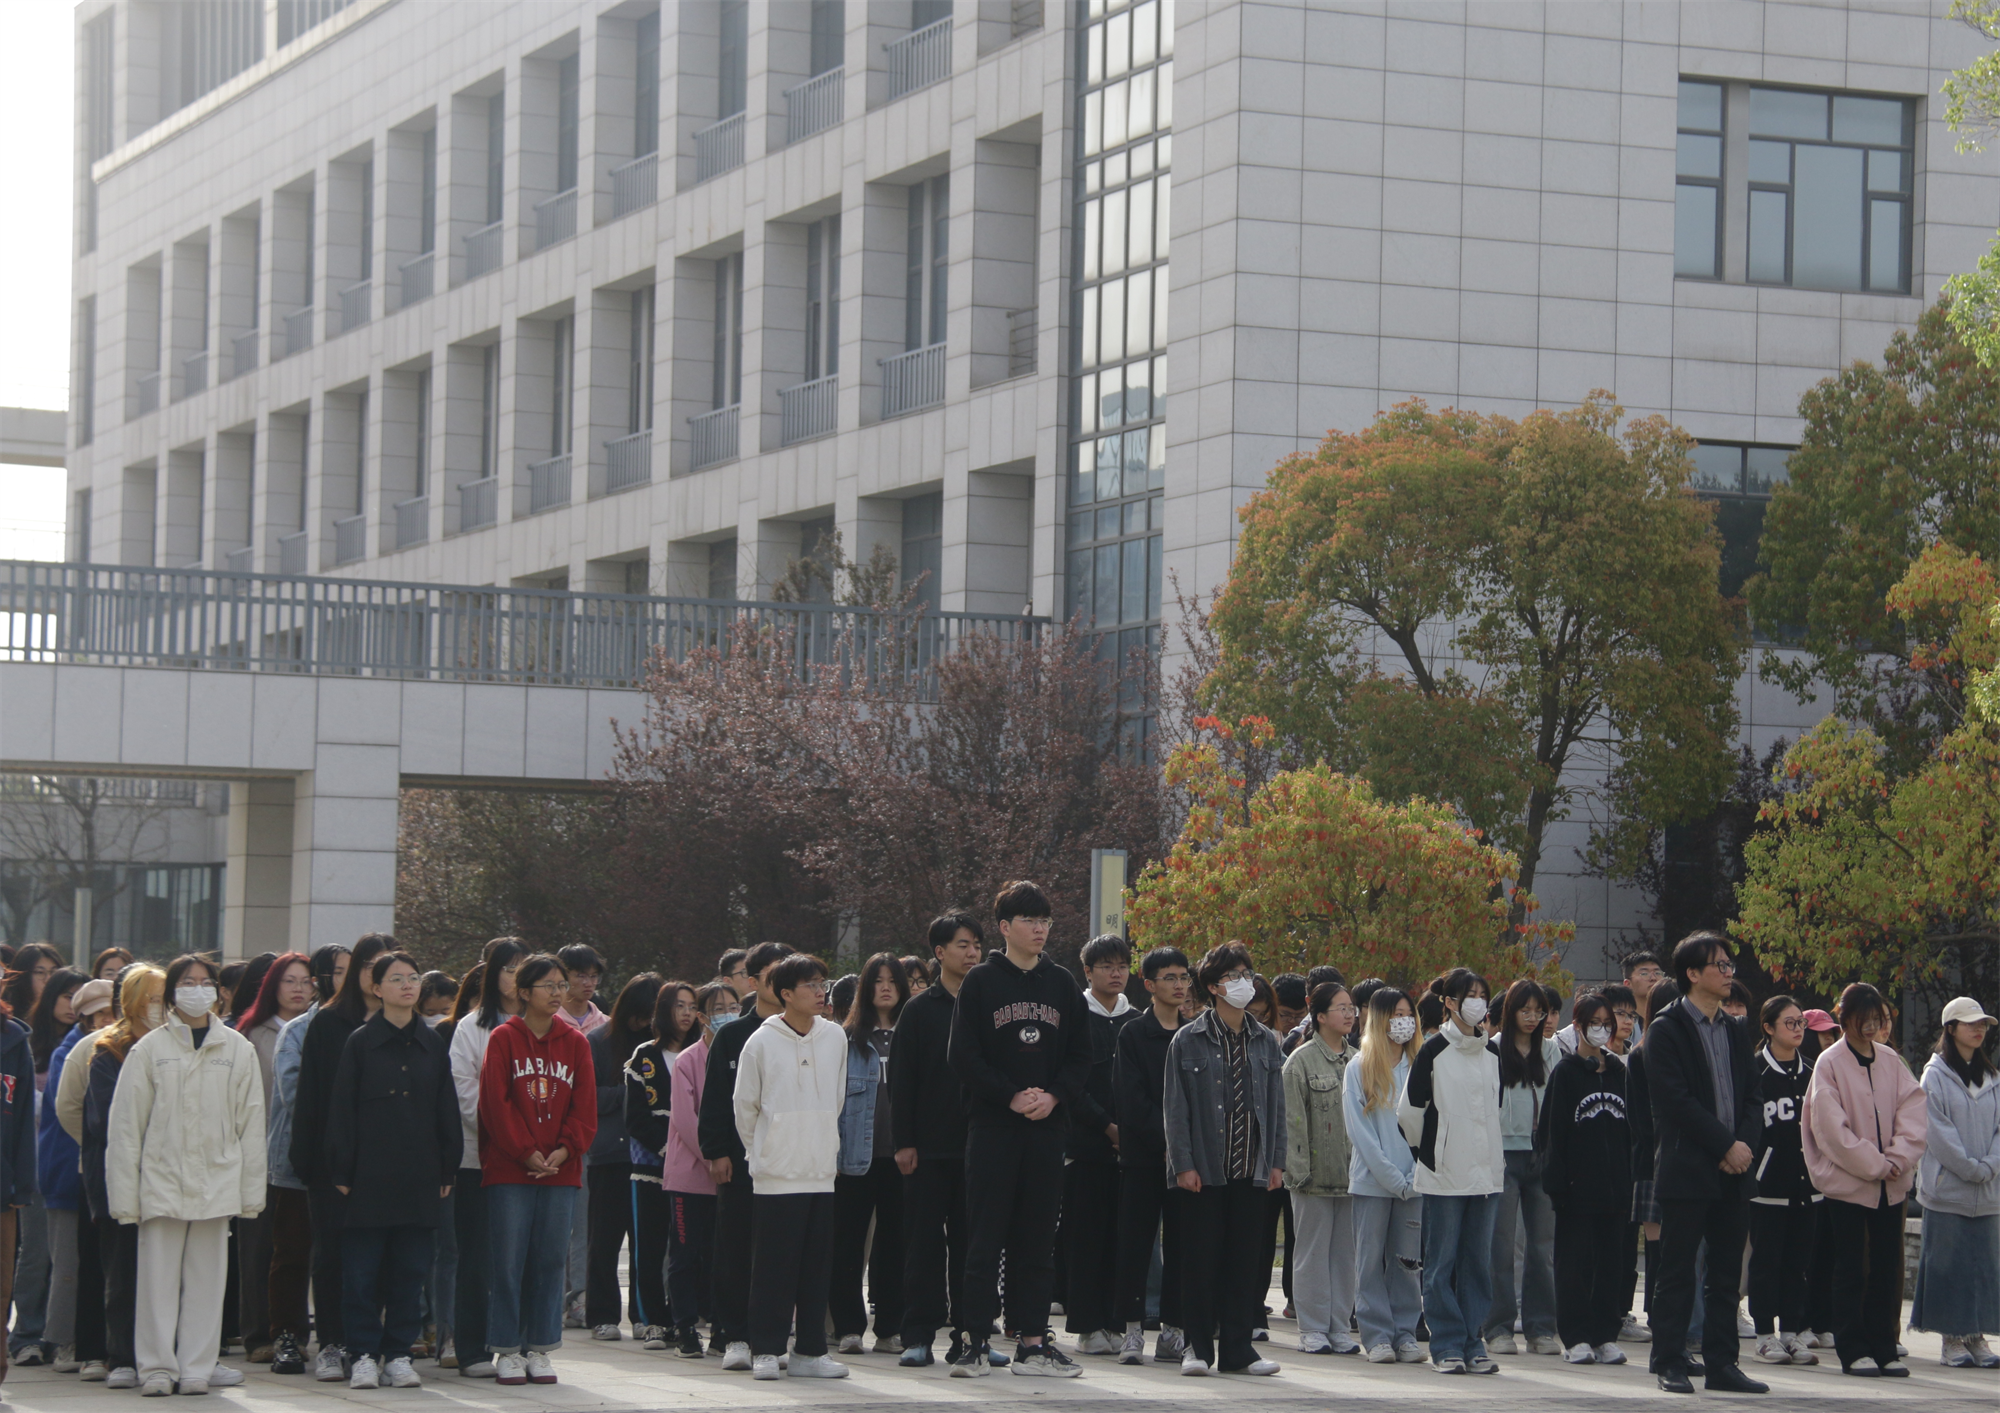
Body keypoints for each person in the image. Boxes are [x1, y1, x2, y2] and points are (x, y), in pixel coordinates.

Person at [946, 881, 1089, 1378]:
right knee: (984, 1238)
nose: (1040, 929)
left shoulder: (1062, 983)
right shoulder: (981, 982)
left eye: (1045, 920)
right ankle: (974, 1342)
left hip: (1047, 1130)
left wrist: (1053, 1096)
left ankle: (1032, 1343)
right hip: (993, 1128)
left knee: (1037, 1240)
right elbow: (963, 1055)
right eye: (1030, 920)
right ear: (1005, 927)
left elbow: (1081, 1055)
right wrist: (1009, 1094)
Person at [106, 953, 264, 1397]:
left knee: (207, 1282)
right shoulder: (149, 1050)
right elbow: (126, 1129)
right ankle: (157, 1366)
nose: (198, 989)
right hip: (162, 1182)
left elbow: (252, 1125)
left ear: (218, 990)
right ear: (172, 992)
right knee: (156, 1282)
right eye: (187, 982)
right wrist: (125, 1198)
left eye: (205, 981)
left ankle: (197, 1365)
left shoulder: (237, 1049)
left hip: (217, 1181)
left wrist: (250, 1193)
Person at [324, 951, 461, 1390]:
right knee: (361, 1275)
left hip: (420, 1176)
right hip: (367, 1177)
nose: (407, 985)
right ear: (376, 988)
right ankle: (363, 1354)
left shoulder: (432, 1042)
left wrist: (447, 1168)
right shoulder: (360, 1042)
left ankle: (399, 1354)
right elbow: (342, 1109)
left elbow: (446, 1108)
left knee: (410, 1272)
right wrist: (341, 1170)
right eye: (396, 978)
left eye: (413, 978)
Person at [1643, 932, 1768, 1395]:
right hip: (1688, 1169)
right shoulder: (1666, 1029)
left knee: (1725, 1275)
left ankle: (1722, 1364)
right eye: (1720, 965)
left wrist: (1743, 1147)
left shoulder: (1734, 1029)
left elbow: (1753, 1096)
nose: (1729, 972)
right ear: (1692, 974)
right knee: (1677, 1272)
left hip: (1735, 1170)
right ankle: (1670, 1360)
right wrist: (1725, 1146)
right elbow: (1675, 1102)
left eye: (1730, 964)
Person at [1160, 942, 1284, 1378]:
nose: (1244, 982)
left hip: (1251, 1169)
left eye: (1247, 974)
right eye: (1233, 976)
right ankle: (1196, 1348)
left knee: (1243, 1263)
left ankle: (1238, 1350)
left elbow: (1276, 1107)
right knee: (1199, 1262)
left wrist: (1276, 1162)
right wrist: (1183, 1164)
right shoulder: (1187, 1039)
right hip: (1204, 1172)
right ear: (1213, 986)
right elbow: (1175, 1109)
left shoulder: (1265, 1040)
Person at [728, 953, 848, 1380]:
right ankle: (767, 1348)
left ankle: (810, 1352)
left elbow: (836, 1098)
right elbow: (745, 1106)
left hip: (820, 1170)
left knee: (816, 1267)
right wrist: (765, 1151)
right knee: (773, 1267)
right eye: (810, 985)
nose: (820, 992)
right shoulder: (760, 1042)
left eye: (822, 984)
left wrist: (820, 1140)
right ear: (786, 994)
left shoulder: (835, 1036)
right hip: (776, 1174)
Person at [479, 953, 596, 1386]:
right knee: (509, 1262)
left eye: (561, 984)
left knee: (549, 1261)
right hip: (511, 1170)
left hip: (561, 1171)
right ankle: (507, 1349)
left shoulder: (576, 1043)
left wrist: (565, 1150)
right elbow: (495, 1103)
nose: (557, 992)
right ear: (524, 992)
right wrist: (525, 1151)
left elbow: (585, 1106)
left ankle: (540, 1348)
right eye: (548, 985)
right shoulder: (503, 1038)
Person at [1801, 981, 1926, 1378]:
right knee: (1852, 1267)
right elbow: (1830, 1128)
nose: (1871, 1028)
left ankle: (1884, 1347)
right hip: (1849, 1185)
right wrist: (1876, 1164)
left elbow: (1913, 1111)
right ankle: (1853, 1348)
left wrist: (1898, 1159)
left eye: (1877, 1019)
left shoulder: (1891, 1060)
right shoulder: (1830, 1063)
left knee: (1886, 1268)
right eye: (1863, 1020)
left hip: (1891, 1183)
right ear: (1845, 1019)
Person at [289, 933, 392, 1383]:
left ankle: (368, 1343)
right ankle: (332, 1342)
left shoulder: (403, 1025)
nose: (377, 974)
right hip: (331, 1163)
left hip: (387, 1163)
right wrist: (310, 1162)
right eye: (368, 965)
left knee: (380, 1258)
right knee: (331, 1255)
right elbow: (309, 1098)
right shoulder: (329, 1023)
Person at [1398, 968, 1503, 1375]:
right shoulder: (1434, 1050)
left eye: (1482, 995)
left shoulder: (1492, 1053)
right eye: (1469, 995)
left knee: (1477, 1262)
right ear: (1449, 1002)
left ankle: (1473, 1341)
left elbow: (1494, 1110)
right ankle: (1446, 1345)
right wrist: (1428, 1153)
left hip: (1486, 1174)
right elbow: (1409, 1112)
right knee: (1441, 1263)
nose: (1477, 1003)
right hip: (1444, 1173)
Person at [892, 913, 984, 1368]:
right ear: (940, 952)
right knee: (923, 1246)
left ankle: (972, 1337)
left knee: (974, 1248)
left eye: (977, 945)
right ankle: (918, 1336)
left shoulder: (988, 1005)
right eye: (963, 945)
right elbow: (902, 1081)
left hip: (979, 1147)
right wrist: (904, 1141)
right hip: (928, 1149)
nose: (972, 953)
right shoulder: (918, 1010)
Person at [698, 941, 793, 1369]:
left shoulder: (808, 1034)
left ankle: (772, 1336)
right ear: (752, 982)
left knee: (780, 1254)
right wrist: (716, 1151)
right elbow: (716, 1099)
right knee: (735, 1249)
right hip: (740, 1162)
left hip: (790, 1162)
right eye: (772, 972)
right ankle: (733, 1335)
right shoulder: (733, 1035)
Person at [446, 937, 527, 1378]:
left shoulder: (547, 1026)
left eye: (523, 967)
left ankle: (517, 1344)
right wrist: (514, 1136)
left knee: (522, 1260)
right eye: (508, 968)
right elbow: (465, 1093)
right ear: (492, 974)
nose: (516, 976)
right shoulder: (471, 1027)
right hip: (481, 1158)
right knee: (477, 1258)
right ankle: (472, 1348)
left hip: (535, 1163)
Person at [1540, 992, 1633, 1365]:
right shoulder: (1565, 1073)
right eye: (1594, 1023)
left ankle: (1605, 1335)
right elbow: (1552, 1133)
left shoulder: (1620, 1072)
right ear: (1577, 1026)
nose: (1601, 1030)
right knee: (1574, 1265)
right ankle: (1576, 1336)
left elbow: (1634, 1131)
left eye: (1606, 1024)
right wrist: (1558, 1184)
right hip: (1576, 1190)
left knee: (1611, 1264)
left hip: (1616, 1189)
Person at [83, 964, 163, 1389]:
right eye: (153, 999)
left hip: (169, 1178)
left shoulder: (178, 1045)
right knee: (123, 1274)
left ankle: (166, 1354)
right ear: (133, 1002)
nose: (161, 1007)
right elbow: (103, 1122)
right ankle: (122, 1357)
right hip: (121, 1179)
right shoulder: (109, 1052)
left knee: (165, 1274)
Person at [231, 951, 311, 1366]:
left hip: (302, 1159)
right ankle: (257, 1333)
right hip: (256, 1156)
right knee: (258, 1250)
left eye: (306, 981)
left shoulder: (317, 1028)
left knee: (296, 1251)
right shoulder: (250, 1033)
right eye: (289, 981)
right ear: (272, 986)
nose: (298, 989)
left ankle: (294, 1333)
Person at [1111, 944, 1190, 1364]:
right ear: (1149, 984)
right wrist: (1165, 1144)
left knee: (1181, 1245)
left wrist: (1182, 1149)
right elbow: (1131, 1099)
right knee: (1135, 1245)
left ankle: (1174, 1331)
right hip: (1143, 1158)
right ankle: (1131, 1331)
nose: (1179, 985)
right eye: (1169, 978)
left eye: (1184, 977)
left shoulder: (1194, 1034)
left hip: (1186, 1164)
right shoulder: (1133, 1034)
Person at [1913, 995, 2000, 1367]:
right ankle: (1952, 1339)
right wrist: (1969, 1168)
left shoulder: (1993, 1078)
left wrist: (1990, 1165)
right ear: (1950, 1029)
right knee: (1948, 1266)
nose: (1978, 1029)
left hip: (1989, 1192)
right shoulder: (1933, 1076)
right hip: (1948, 1190)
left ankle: (1977, 1336)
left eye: (1982, 1024)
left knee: (1984, 1267)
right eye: (1970, 1023)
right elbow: (1937, 1132)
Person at [1059, 934, 1135, 1355]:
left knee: (1121, 1242)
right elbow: (1071, 1084)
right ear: (1087, 971)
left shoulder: (1135, 1021)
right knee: (1085, 1240)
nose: (1116, 973)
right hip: (1085, 1147)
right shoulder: (1074, 1017)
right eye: (1107, 966)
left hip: (1131, 1152)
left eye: (1122, 965)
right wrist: (1108, 1127)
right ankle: (1088, 1327)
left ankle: (1115, 1322)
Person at [830, 951, 909, 1354]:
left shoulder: (914, 1034)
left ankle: (891, 1328)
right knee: (847, 1244)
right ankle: (847, 1328)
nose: (885, 988)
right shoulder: (844, 1041)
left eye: (893, 980)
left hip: (902, 1157)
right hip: (854, 1159)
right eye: (877, 980)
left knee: (895, 1245)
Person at [1345, 986, 1424, 1364]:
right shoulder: (1359, 1067)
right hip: (1372, 1183)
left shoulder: (1422, 1066)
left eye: (1409, 1014)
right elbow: (1361, 1133)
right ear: (1379, 1019)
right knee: (1369, 1262)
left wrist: (1417, 1173)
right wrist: (1392, 1177)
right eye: (1396, 1015)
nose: (1404, 1022)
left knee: (1408, 1263)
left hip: (1416, 1182)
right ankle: (1376, 1335)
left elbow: (1434, 1124)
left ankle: (1405, 1333)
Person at [583, 973, 662, 1343]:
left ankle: (645, 1315)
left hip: (649, 1154)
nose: (643, 1023)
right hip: (609, 1154)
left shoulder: (660, 1046)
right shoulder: (599, 1041)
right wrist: (631, 1092)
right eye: (639, 1015)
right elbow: (587, 1097)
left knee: (647, 1242)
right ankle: (602, 1314)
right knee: (604, 1241)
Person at [40, 977, 112, 1376]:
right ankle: (63, 1340)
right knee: (68, 1265)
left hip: (101, 1174)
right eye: (99, 1014)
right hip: (68, 1174)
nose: (107, 1019)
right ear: (85, 1018)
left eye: (113, 1011)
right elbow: (68, 1110)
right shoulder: (69, 1053)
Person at [1282, 980, 1359, 1355]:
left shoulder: (1359, 1060)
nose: (1349, 1014)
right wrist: (1298, 1172)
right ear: (1320, 1016)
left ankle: (1339, 1326)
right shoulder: (1299, 1062)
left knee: (1345, 1255)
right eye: (1341, 1008)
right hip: (1312, 1178)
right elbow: (1291, 1121)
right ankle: (1312, 1327)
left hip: (1353, 1177)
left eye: (1351, 1008)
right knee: (1312, 1254)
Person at [1487, 977, 1560, 1356]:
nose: (1533, 1018)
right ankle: (1498, 1328)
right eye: (1525, 1010)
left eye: (1539, 1011)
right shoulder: (1493, 1049)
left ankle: (1541, 1329)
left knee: (1542, 1248)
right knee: (1500, 1246)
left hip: (1542, 1156)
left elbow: (1559, 1103)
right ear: (1510, 1011)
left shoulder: (1551, 1050)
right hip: (1502, 1155)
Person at [1747, 995, 1820, 1365]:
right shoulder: (1754, 1071)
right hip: (1767, 1187)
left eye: (1800, 1023)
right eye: (1789, 1023)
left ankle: (1791, 1333)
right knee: (1766, 1262)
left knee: (1798, 1262)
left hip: (1809, 1186)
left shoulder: (1813, 1073)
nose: (1797, 1029)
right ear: (1768, 1027)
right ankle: (1764, 1335)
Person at [645, 983, 712, 1354]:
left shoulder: (742, 1055)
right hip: (690, 1175)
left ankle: (721, 1325)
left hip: (729, 1176)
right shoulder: (688, 1060)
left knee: (719, 1256)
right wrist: (714, 1157)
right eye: (718, 1008)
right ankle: (685, 1327)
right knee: (684, 1254)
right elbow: (686, 1121)